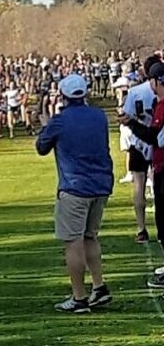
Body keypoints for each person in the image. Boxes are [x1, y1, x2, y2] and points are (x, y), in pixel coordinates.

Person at [35, 74, 113, 314]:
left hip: (74, 186)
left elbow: (41, 147)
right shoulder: (99, 116)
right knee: (90, 236)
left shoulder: (60, 121)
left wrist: (46, 124)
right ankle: (99, 287)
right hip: (101, 184)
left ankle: (79, 297)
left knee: (73, 241)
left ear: (63, 95)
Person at [120, 61, 164, 288]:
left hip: (144, 147)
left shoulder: (140, 93)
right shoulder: (156, 98)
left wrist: (132, 126)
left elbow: (130, 118)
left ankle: (141, 228)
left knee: (139, 185)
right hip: (154, 150)